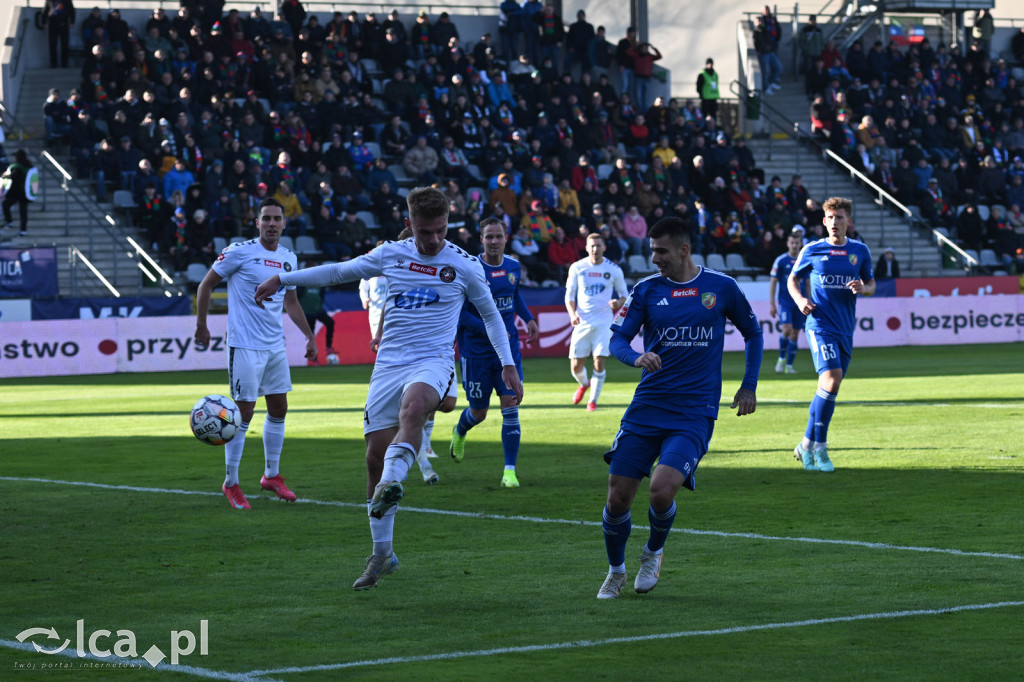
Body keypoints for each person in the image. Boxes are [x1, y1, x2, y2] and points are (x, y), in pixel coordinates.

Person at [254, 187, 523, 590]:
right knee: (373, 457)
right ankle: (382, 554)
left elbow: (490, 315)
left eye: (440, 231)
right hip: (388, 364)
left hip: (432, 361)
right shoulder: (391, 255)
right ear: (408, 224)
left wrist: (507, 365)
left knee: (415, 410)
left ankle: (394, 480)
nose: (433, 240)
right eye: (424, 231)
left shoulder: (464, 265)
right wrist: (283, 277)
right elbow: (337, 271)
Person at [597, 216, 762, 599]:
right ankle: (616, 570)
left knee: (661, 489)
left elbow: (753, 332)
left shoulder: (721, 287)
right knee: (618, 496)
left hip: (694, 411)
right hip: (647, 407)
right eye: (651, 250)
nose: (654, 258)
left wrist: (748, 385)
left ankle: (653, 552)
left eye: (661, 251)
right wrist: (636, 358)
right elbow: (618, 340)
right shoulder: (646, 290)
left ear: (684, 250)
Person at [194, 198, 318, 509]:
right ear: (258, 222)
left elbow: (291, 302)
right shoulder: (240, 251)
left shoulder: (289, 258)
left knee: (279, 408)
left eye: (277, 218)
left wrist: (308, 335)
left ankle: (271, 476)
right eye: (267, 218)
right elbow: (206, 285)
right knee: (242, 414)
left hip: (274, 345)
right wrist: (202, 325)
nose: (273, 224)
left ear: (285, 223)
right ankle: (231, 482)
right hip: (245, 344)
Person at [450, 218, 540, 488]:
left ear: (506, 237)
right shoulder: (470, 269)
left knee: (511, 408)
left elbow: (514, 295)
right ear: (481, 239)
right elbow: (460, 313)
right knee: (479, 412)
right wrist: (491, 328)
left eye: (498, 236)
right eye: (488, 237)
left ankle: (509, 471)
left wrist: (528, 318)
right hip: (476, 353)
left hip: (508, 353)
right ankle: (460, 429)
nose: (493, 241)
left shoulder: (513, 267)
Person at [788, 197, 875, 473]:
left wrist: (864, 288)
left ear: (848, 221)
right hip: (819, 326)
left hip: (845, 329)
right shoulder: (812, 250)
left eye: (840, 218)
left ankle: (805, 446)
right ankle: (822, 448)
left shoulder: (860, 251)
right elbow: (793, 279)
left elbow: (871, 283)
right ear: (823, 221)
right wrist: (801, 300)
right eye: (830, 218)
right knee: (832, 380)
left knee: (826, 389)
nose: (835, 222)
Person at [359, 234, 445, 486]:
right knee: (409, 407)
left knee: (446, 403)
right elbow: (383, 300)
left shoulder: (429, 270)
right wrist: (378, 333)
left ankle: (411, 445)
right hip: (392, 338)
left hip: (432, 348)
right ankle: (413, 457)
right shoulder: (375, 274)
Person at [565, 232, 628, 412]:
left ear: (604, 247)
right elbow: (569, 296)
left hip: (603, 321)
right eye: (591, 245)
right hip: (582, 322)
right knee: (576, 367)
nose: (595, 249)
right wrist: (571, 314)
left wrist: (618, 303)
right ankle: (584, 384)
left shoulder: (614, 269)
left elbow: (625, 295)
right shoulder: (577, 267)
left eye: (598, 245)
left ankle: (592, 401)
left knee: (599, 361)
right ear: (586, 247)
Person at [769, 229, 806, 374]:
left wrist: (808, 300)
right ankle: (781, 358)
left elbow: (807, 282)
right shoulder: (781, 260)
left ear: (800, 243)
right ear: (787, 244)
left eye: (797, 243)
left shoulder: (804, 260)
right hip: (785, 301)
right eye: (792, 243)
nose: (794, 245)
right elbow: (773, 282)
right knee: (787, 329)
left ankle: (789, 366)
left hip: (800, 302)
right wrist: (772, 303)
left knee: (795, 334)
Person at [2, 150, 34, 236]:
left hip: (17, 192)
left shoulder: (18, 167)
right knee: (23, 211)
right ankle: (23, 230)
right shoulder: (29, 166)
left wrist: (4, 176)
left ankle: (10, 222)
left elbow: (14, 176)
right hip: (25, 193)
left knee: (6, 205)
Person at [43, 0, 76, 68]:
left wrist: (72, 22)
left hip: (64, 24)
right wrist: (44, 22)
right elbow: (45, 10)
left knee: (65, 44)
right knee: (53, 44)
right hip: (53, 25)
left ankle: (65, 64)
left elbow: (72, 10)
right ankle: (53, 64)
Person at [696, 58, 719, 122]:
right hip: (705, 98)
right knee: (704, 115)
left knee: (713, 115)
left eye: (711, 63)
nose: (710, 65)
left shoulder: (715, 74)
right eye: (708, 63)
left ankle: (713, 128)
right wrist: (701, 94)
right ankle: (704, 128)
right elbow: (699, 86)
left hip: (713, 98)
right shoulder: (702, 74)